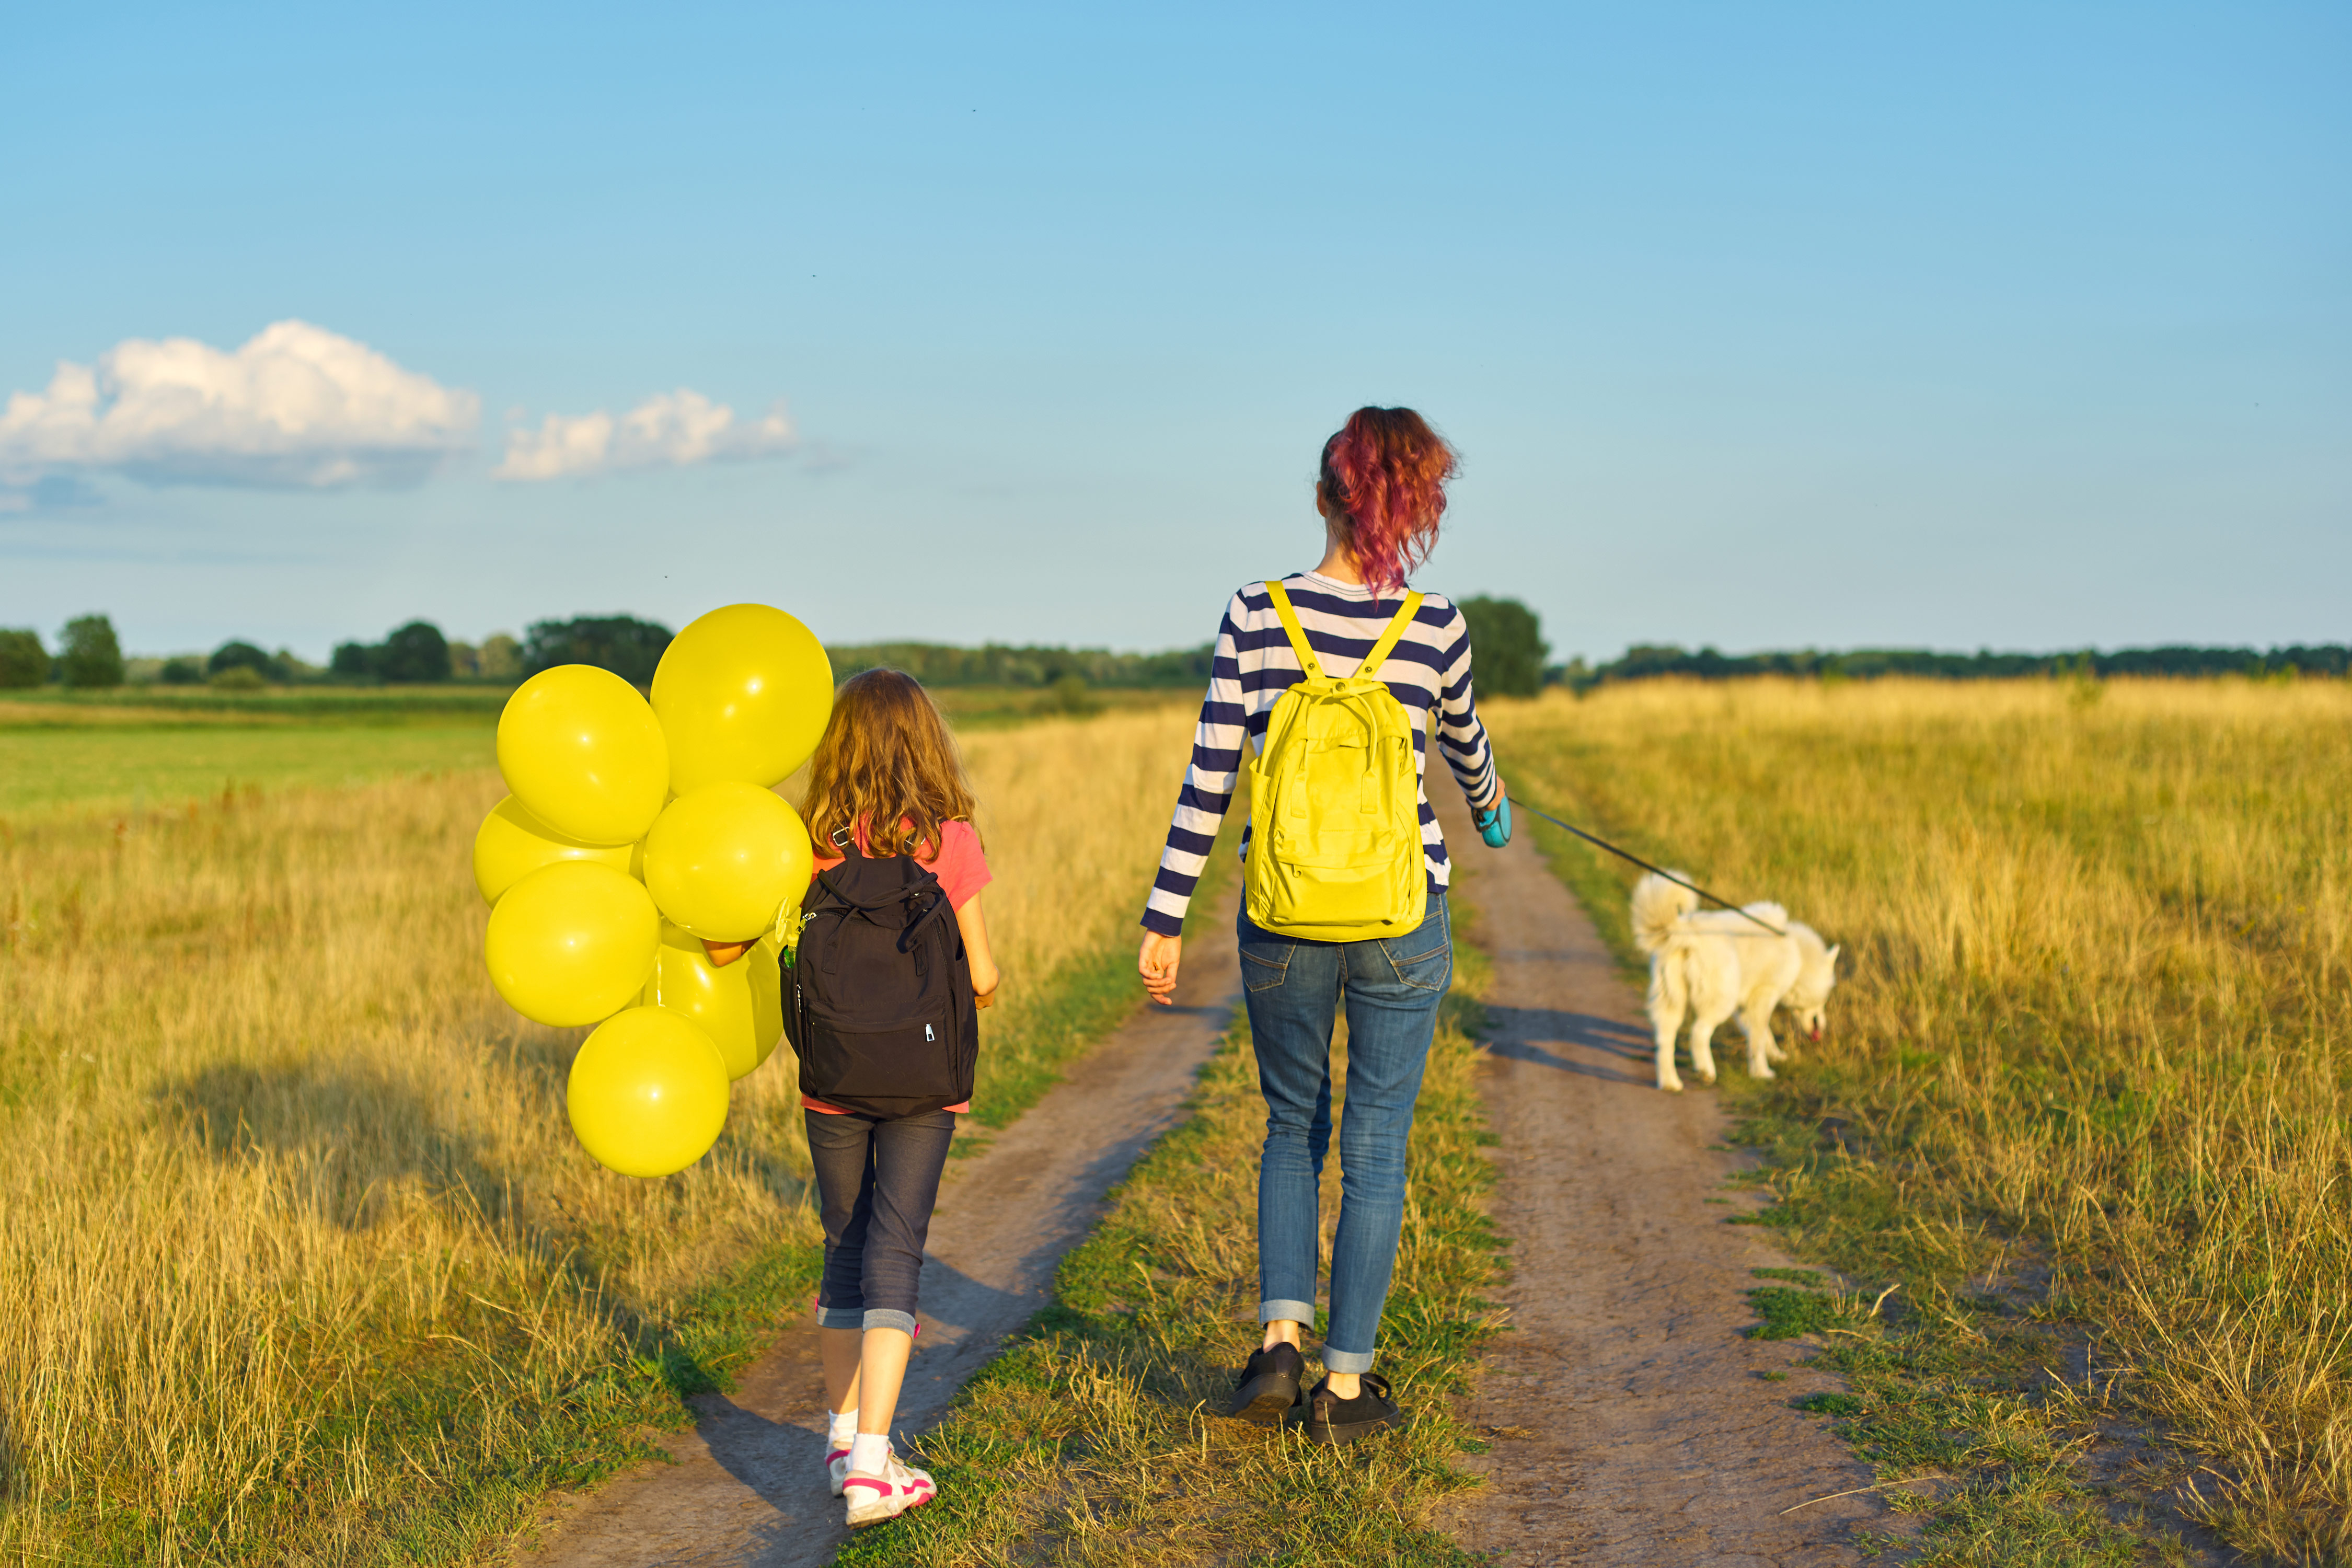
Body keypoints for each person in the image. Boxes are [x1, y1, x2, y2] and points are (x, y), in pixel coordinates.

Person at [1136, 406, 1508, 1444]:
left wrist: (1167, 915)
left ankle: (1280, 1343)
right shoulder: (1435, 626)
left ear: (1323, 496)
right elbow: (1467, 744)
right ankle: (1345, 1392)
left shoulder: (1257, 612)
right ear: (1420, 504)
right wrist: (1489, 807)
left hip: (1283, 919)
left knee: (1290, 1126)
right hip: (1400, 914)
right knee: (1376, 1147)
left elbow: (1212, 769)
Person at [767, 668, 1000, 1527]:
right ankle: (875, 1462)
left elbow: (749, 943)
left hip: (831, 1080)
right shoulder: (949, 840)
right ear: (926, 741)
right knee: (896, 1250)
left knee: (844, 1245)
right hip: (922, 1083)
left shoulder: (808, 840)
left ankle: (837, 1442)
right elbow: (981, 975)